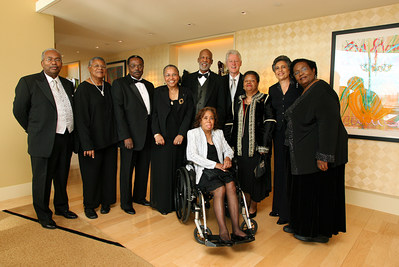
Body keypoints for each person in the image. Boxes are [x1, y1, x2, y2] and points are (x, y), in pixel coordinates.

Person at [284, 58, 348, 243]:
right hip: (306, 155)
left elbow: (328, 124)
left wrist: (323, 156)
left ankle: (318, 233)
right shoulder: (308, 91)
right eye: (296, 72)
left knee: (320, 195)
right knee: (306, 193)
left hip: (320, 155)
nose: (301, 73)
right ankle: (301, 225)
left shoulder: (322, 90)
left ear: (313, 70)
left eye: (304, 69)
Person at [13, 48, 78, 229]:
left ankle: (61, 208)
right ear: (42, 62)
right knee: (42, 180)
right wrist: (33, 130)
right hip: (42, 140)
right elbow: (18, 110)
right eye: (50, 59)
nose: (54, 63)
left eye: (57, 60)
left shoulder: (67, 84)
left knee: (61, 177)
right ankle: (43, 215)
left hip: (65, 138)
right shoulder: (29, 82)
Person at [186, 107, 253, 245]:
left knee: (232, 186)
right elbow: (191, 155)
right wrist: (215, 164)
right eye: (205, 118)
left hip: (220, 170)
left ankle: (235, 228)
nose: (209, 121)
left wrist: (227, 157)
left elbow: (228, 149)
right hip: (204, 171)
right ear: (200, 120)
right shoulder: (193, 134)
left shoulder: (218, 133)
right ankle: (223, 231)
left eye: (211, 118)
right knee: (220, 189)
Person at [74, 57, 118, 219]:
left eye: (102, 66)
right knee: (91, 175)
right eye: (96, 66)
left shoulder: (109, 87)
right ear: (89, 68)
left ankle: (106, 202)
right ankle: (90, 205)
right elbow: (80, 119)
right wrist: (86, 144)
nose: (100, 68)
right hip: (91, 142)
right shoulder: (83, 90)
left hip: (109, 140)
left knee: (109, 173)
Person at [111, 55, 154, 215]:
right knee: (127, 171)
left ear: (143, 66)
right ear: (129, 67)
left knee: (143, 170)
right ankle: (126, 202)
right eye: (134, 65)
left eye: (140, 65)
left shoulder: (149, 85)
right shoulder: (119, 84)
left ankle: (139, 196)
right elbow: (118, 113)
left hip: (147, 136)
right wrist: (125, 136)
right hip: (129, 136)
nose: (137, 68)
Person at [150, 65, 194, 215]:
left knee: (177, 170)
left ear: (178, 77)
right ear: (164, 77)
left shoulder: (186, 92)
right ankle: (163, 205)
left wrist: (182, 134)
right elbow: (153, 114)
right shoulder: (157, 92)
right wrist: (156, 134)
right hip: (161, 139)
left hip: (179, 140)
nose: (171, 78)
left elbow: (189, 114)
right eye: (168, 75)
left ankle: (178, 203)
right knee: (163, 172)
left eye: (174, 75)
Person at [232, 71, 275, 218]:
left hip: (257, 146)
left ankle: (253, 205)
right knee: (242, 175)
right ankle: (245, 201)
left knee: (255, 176)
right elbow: (234, 124)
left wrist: (264, 146)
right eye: (246, 81)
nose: (248, 83)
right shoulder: (238, 100)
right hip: (240, 145)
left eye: (252, 81)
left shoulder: (265, 99)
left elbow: (269, 123)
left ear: (257, 83)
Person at [268, 56, 302, 225]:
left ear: (289, 69)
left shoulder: (298, 87)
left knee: (292, 170)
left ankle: (289, 211)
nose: (280, 70)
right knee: (280, 169)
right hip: (279, 134)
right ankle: (278, 208)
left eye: (283, 67)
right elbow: (271, 113)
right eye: (277, 68)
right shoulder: (272, 89)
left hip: (296, 133)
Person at [181, 49, 226, 127]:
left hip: (210, 125)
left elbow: (221, 106)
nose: (205, 60)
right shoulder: (187, 79)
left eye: (208, 58)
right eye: (202, 57)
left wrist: (216, 125)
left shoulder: (219, 80)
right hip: (189, 125)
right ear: (198, 60)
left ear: (211, 61)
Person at [222, 50, 245, 145]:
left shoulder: (246, 81)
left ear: (241, 63)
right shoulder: (220, 82)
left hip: (242, 127)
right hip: (223, 127)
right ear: (227, 63)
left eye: (236, 61)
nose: (233, 64)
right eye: (231, 61)